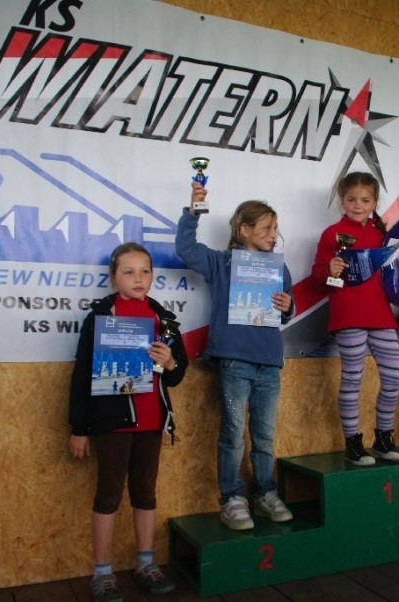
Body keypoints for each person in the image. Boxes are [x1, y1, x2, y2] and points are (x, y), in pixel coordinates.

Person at [68, 242, 188, 602]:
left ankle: (145, 564)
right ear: (113, 278)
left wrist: (169, 362)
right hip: (112, 424)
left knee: (145, 491)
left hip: (151, 422)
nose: (139, 278)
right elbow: (81, 376)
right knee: (109, 493)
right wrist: (79, 428)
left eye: (145, 271)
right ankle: (102, 573)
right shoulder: (100, 317)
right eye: (129, 272)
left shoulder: (164, 318)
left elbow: (177, 374)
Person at [176, 182, 295, 531]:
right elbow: (186, 248)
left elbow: (284, 311)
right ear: (244, 230)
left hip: (269, 363)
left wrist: (288, 307)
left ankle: (265, 493)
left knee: (264, 435)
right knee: (232, 434)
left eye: (275, 228)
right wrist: (193, 211)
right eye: (266, 228)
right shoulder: (221, 262)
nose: (273, 235)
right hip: (234, 363)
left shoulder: (279, 269)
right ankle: (231, 498)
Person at [311, 171, 399, 466]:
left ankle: (383, 437)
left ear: (374, 202)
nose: (358, 205)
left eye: (365, 200)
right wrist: (329, 270)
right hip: (348, 315)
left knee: (394, 377)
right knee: (352, 379)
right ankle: (352, 443)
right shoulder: (332, 234)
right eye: (352, 200)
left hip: (381, 316)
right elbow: (317, 277)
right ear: (343, 200)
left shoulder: (383, 235)